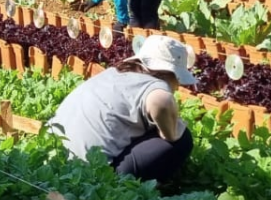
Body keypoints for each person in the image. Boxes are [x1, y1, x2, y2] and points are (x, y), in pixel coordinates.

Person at [48, 35, 195, 182]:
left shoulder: (113, 73)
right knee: (182, 140)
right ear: (172, 74)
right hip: (94, 174)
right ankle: (126, 187)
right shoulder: (157, 89)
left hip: (54, 156)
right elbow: (165, 116)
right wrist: (172, 128)